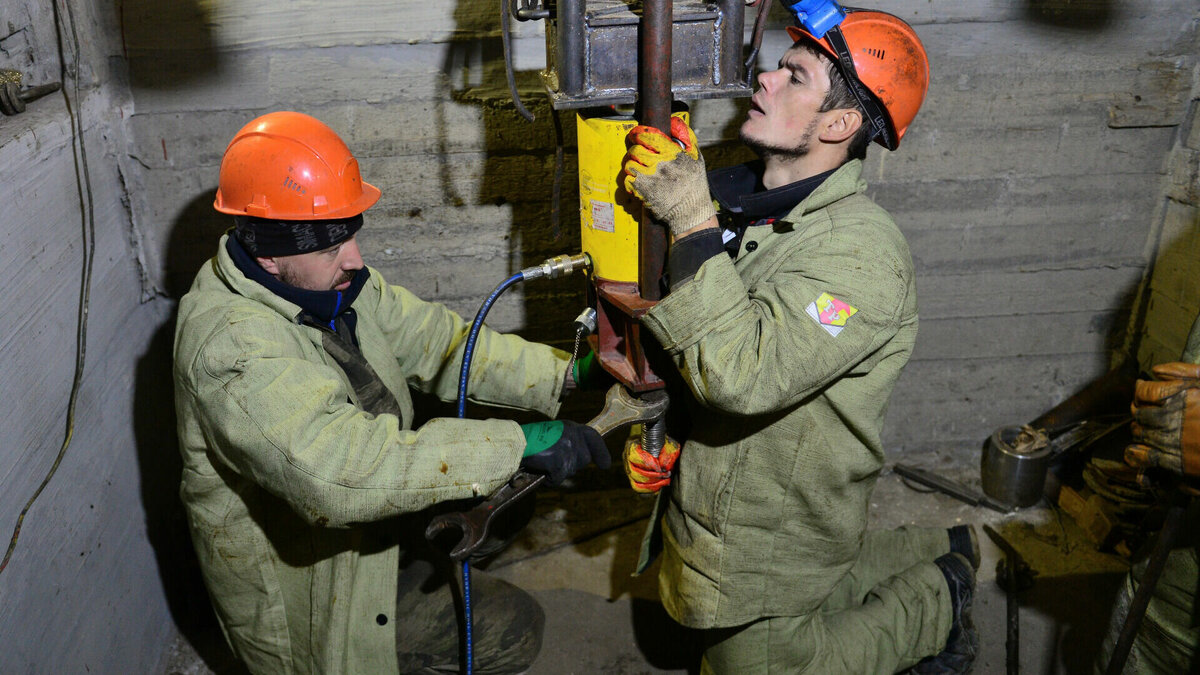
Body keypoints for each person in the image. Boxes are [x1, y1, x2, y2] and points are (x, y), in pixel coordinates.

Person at [172, 110, 609, 674]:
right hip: (318, 584)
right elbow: (340, 471)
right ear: (269, 255)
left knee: (508, 507)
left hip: (375, 528)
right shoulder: (232, 350)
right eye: (332, 248)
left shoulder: (333, 286)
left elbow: (442, 343)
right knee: (513, 631)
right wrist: (508, 445)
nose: (354, 260)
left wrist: (568, 374)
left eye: (351, 236)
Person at [621, 9, 980, 674]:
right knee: (722, 620)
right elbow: (703, 337)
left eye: (794, 76)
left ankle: (940, 594)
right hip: (735, 496)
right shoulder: (752, 202)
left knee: (762, 664)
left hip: (778, 527)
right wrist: (675, 434)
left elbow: (742, 373)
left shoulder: (863, 257)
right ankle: (937, 542)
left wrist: (692, 222)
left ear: (840, 124)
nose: (764, 78)